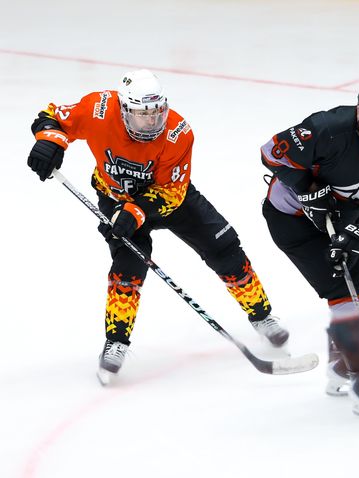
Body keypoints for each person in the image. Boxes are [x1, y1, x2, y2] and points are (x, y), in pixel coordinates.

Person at [27, 69, 289, 384]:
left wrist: (135, 212)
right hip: (115, 198)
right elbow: (53, 116)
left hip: (170, 198)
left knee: (224, 247)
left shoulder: (178, 132)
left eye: (156, 113)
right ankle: (116, 342)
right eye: (142, 115)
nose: (152, 122)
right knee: (128, 267)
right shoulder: (98, 108)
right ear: (124, 109)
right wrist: (50, 141)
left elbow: (172, 192)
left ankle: (262, 316)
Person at [259, 75, 359, 418]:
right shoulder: (327, 128)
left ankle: (341, 365)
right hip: (292, 219)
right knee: (342, 285)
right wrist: (306, 188)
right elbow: (271, 152)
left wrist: (358, 232)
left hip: (345, 217)